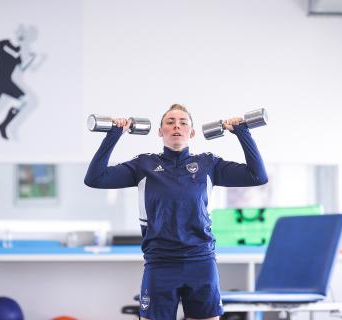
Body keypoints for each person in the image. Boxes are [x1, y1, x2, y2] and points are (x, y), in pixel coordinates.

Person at [84, 104, 268, 320]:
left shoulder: (208, 164)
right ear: (160, 132)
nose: (176, 127)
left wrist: (242, 132)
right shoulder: (143, 165)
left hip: (201, 261)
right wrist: (114, 134)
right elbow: (95, 178)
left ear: (192, 132)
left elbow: (257, 176)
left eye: (183, 123)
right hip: (160, 263)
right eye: (170, 123)